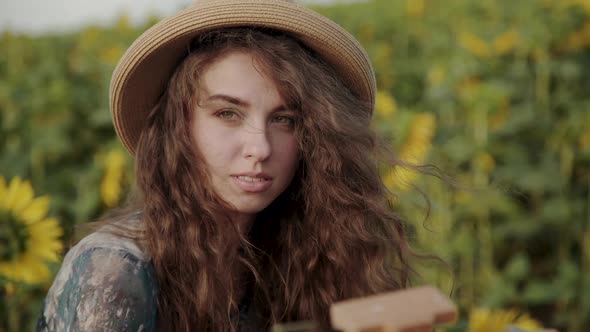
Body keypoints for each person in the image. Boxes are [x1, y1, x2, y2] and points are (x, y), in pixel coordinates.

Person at [37, 0, 417, 331]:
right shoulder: (116, 273)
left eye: (284, 119)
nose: (260, 147)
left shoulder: (299, 254)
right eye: (228, 113)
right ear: (178, 126)